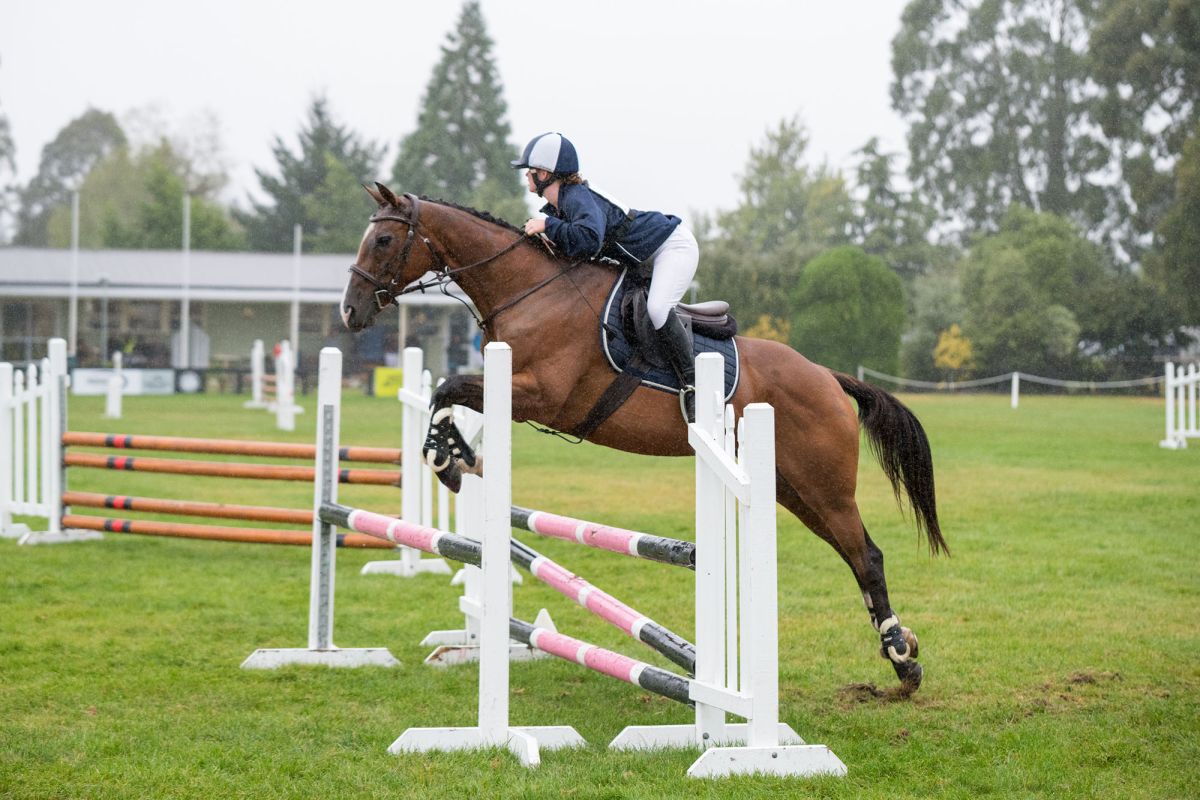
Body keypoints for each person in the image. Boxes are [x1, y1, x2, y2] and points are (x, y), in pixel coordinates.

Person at [512, 132, 700, 422]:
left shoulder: (576, 197)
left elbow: (588, 239)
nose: (526, 177)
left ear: (545, 174)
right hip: (644, 260)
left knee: (658, 309)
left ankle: (693, 384)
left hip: (672, 247)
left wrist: (548, 225)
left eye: (530, 171)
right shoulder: (562, 204)